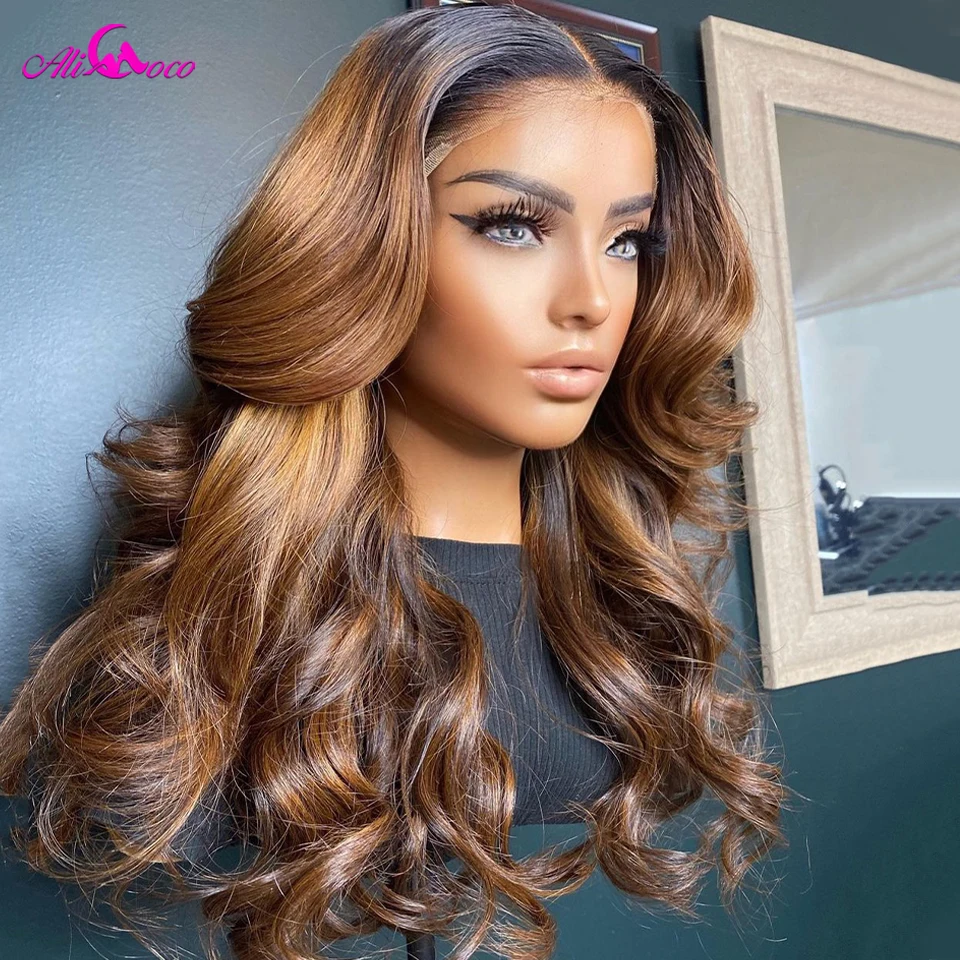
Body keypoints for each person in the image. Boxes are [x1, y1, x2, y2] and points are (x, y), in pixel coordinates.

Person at [0, 5, 790, 960]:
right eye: (512, 226)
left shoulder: (617, 583)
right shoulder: (234, 613)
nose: (591, 298)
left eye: (626, 241)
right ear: (365, 241)